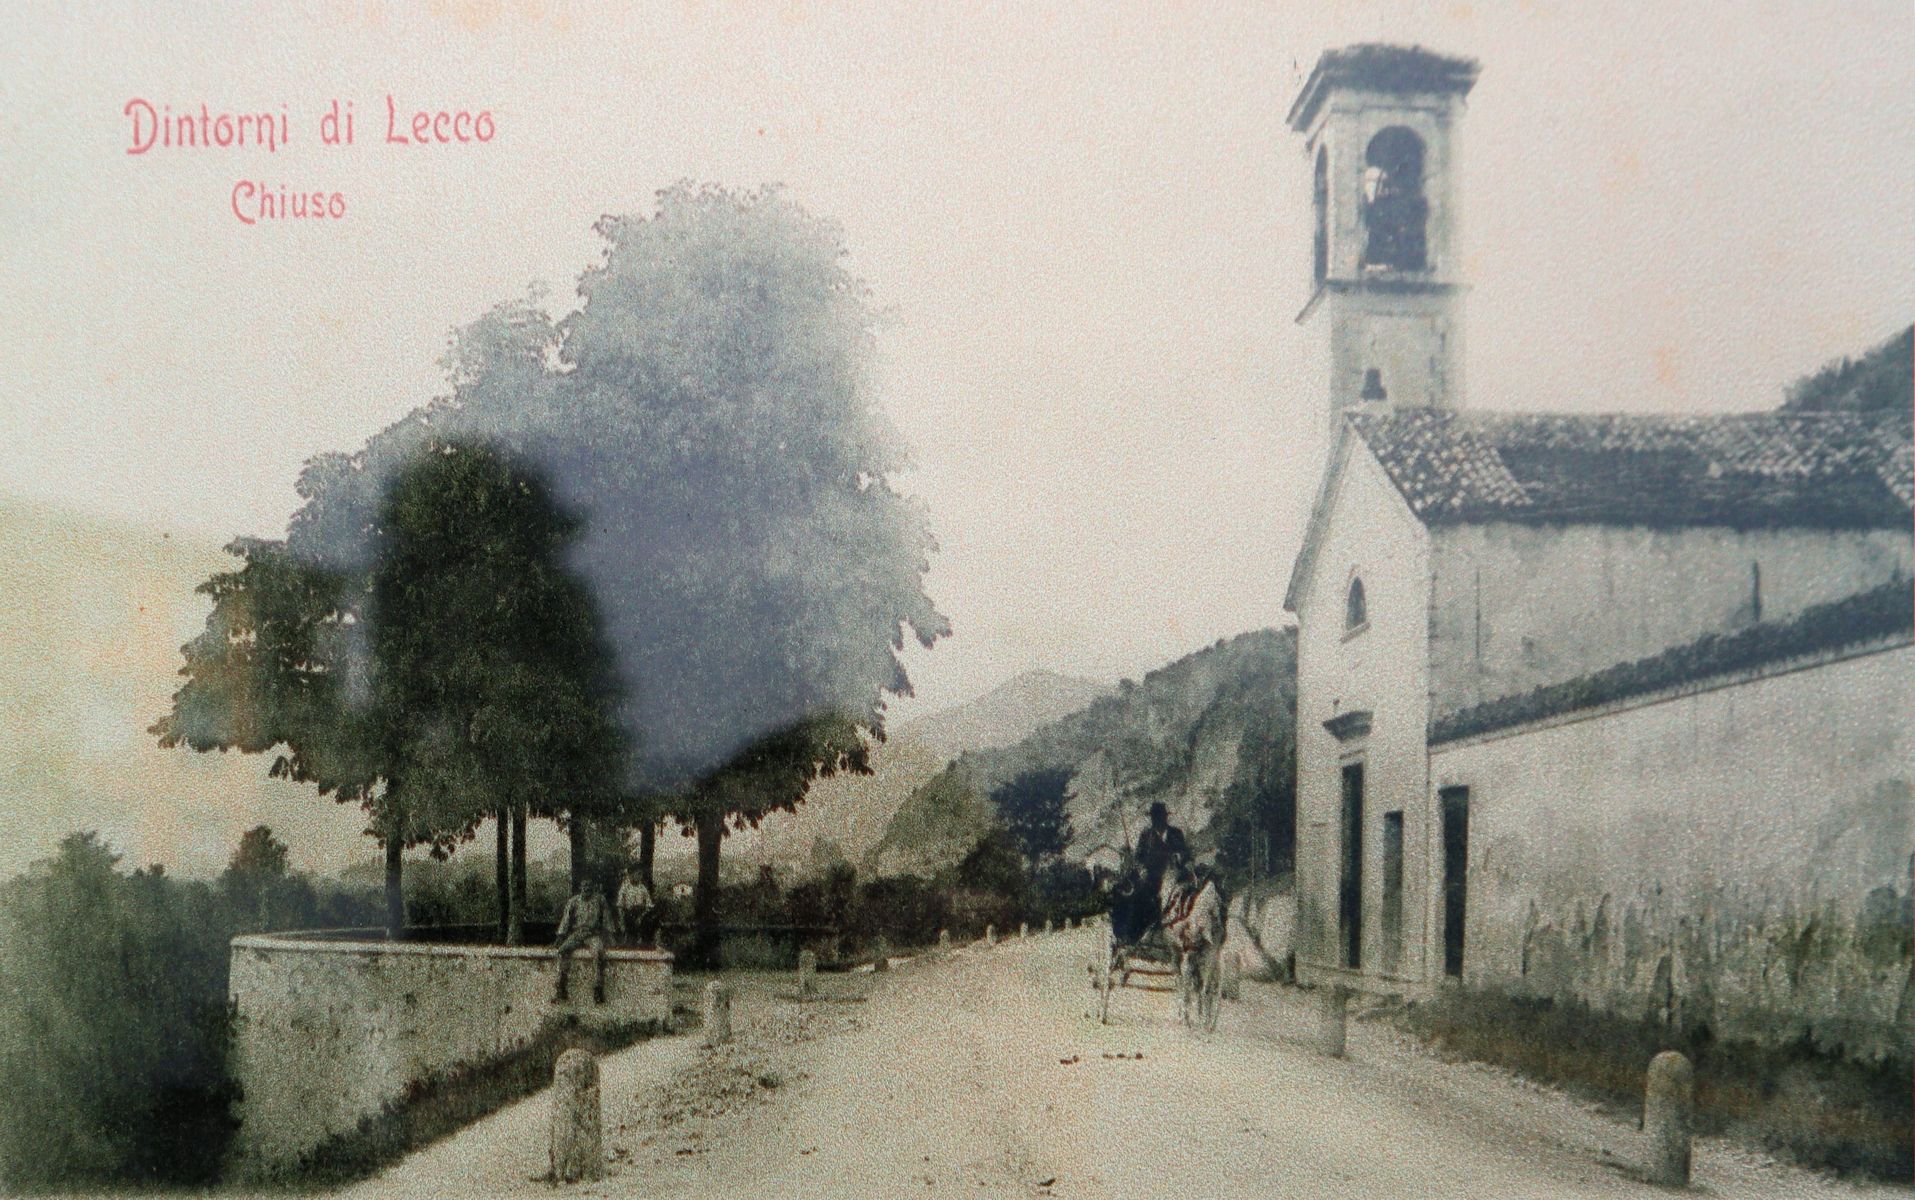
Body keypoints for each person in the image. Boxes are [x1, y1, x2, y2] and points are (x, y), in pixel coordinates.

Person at [552, 879, 613, 1004]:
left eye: (589, 886)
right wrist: (560, 936)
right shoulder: (574, 901)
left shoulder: (599, 900)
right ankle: (562, 986)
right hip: (577, 934)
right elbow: (566, 920)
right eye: (584, 886)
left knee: (598, 952)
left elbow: (607, 918)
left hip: (592, 934)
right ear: (580, 887)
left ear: (593, 887)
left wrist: (610, 935)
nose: (586, 889)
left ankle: (598, 988)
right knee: (563, 951)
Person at [1132, 801, 1189, 899]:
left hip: (1173, 874)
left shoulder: (1176, 833)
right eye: (1154, 817)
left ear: (1165, 817)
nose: (1156, 820)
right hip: (1152, 876)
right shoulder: (1146, 835)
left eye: (1159, 816)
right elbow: (1139, 857)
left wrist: (1177, 857)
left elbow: (1184, 853)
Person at [616, 867, 654, 948]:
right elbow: (620, 905)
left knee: (648, 920)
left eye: (641, 874)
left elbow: (649, 905)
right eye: (638, 874)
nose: (640, 877)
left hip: (641, 913)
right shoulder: (625, 887)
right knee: (628, 920)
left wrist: (641, 916)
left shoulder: (642, 888)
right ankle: (629, 941)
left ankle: (642, 941)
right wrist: (621, 919)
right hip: (628, 914)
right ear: (631, 875)